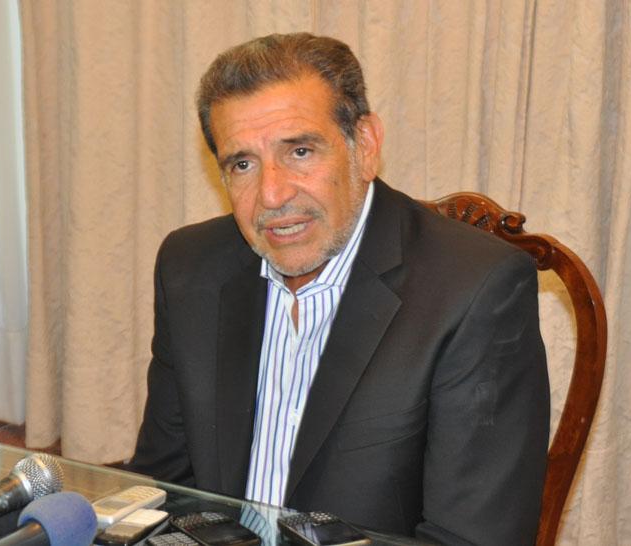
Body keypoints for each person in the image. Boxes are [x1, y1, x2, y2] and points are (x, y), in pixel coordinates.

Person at [127, 32, 549, 545]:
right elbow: (160, 489)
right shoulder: (191, 267)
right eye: (242, 164)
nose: (272, 194)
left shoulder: (474, 289)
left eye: (300, 151)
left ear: (365, 146)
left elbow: (473, 539)